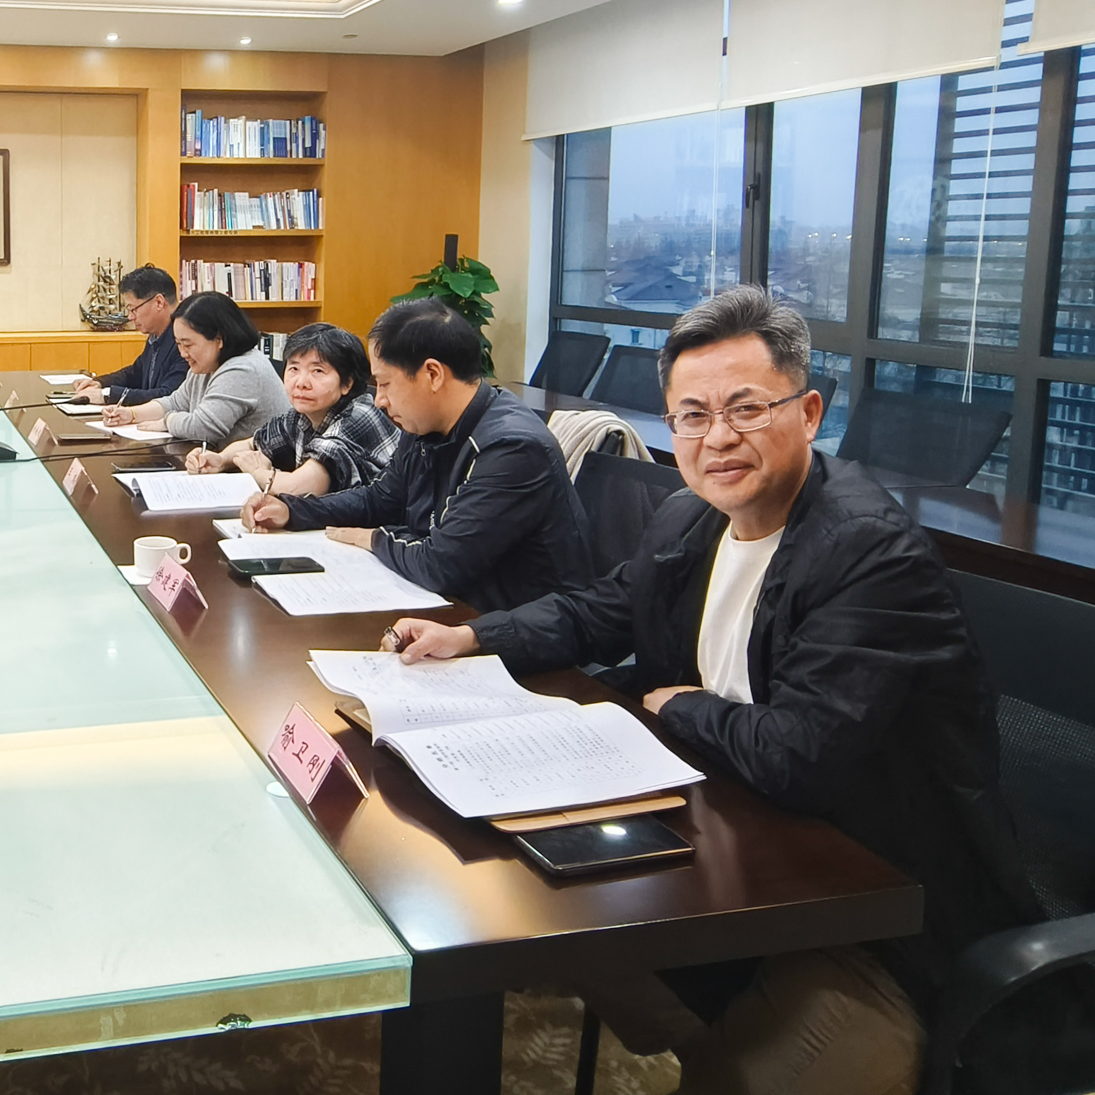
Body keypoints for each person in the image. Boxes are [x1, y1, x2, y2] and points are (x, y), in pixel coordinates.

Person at [384, 286, 1081, 1094]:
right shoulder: (692, 517)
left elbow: (798, 757)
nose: (718, 436)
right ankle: (707, 1015)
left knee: (749, 1071)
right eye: (692, 415)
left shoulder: (867, 554)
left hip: (877, 913)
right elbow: (602, 607)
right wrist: (474, 635)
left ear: (809, 413)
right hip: (728, 853)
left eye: (746, 408)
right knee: (527, 905)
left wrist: (683, 704)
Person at [240, 299, 592, 612]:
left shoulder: (511, 448)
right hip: (446, 609)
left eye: (385, 384)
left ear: (432, 375)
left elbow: (441, 564)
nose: (379, 399)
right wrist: (292, 510)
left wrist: (371, 538)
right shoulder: (424, 424)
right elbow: (380, 499)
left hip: (508, 628)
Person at [184, 322, 397, 496]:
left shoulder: (358, 416)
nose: (301, 382)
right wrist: (220, 460)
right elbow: (254, 443)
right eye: (294, 368)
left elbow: (295, 489)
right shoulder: (302, 416)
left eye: (318, 371)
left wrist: (259, 471)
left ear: (347, 383)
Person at [103, 291, 290, 444]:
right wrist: (131, 414)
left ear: (219, 339)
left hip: (259, 472)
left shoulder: (242, 369)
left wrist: (168, 421)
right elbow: (176, 402)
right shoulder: (205, 365)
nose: (183, 353)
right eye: (178, 344)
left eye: (188, 344)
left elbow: (204, 428)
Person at [68, 265, 188, 406]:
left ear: (159, 302)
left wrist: (107, 396)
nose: (130, 317)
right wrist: (100, 382)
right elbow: (135, 373)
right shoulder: (156, 334)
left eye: (133, 309)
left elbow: (168, 396)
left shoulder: (186, 340)